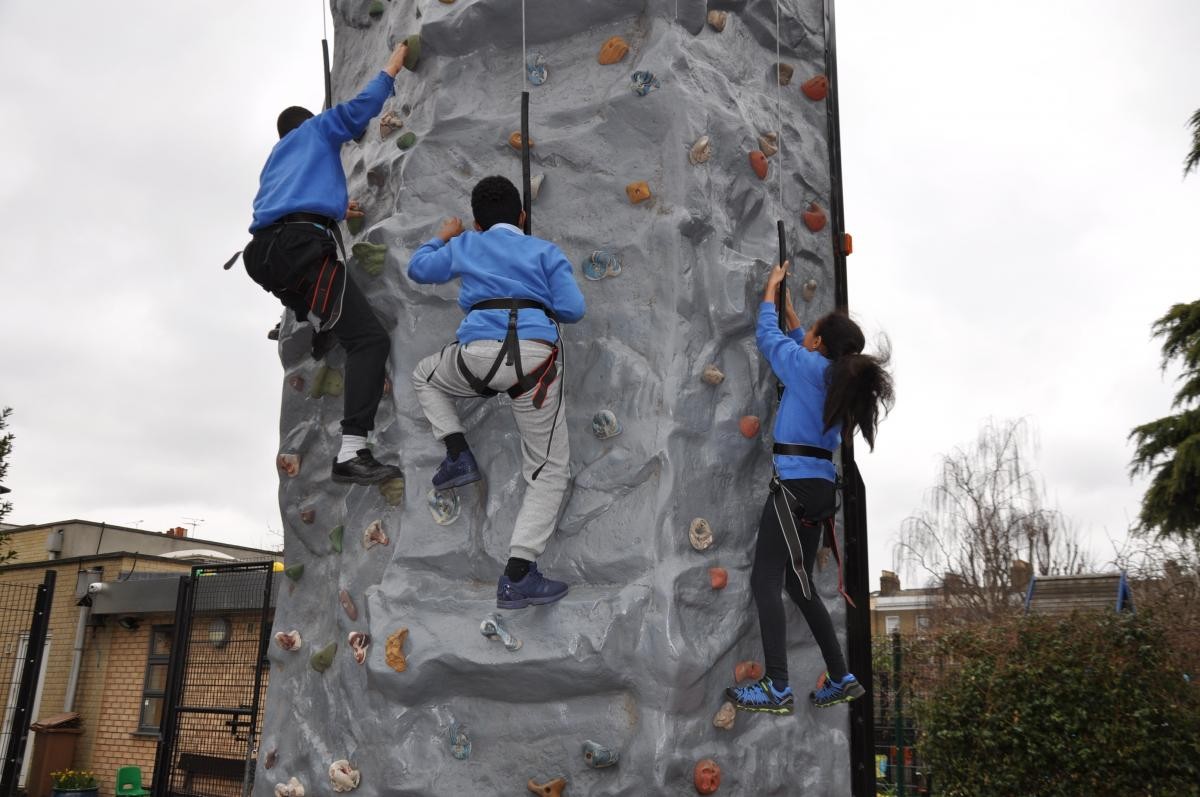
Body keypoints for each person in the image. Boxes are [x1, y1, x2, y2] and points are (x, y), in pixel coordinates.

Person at [407, 175, 585, 610]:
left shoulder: (468, 243)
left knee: (425, 376)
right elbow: (573, 309)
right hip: (535, 363)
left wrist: (444, 237)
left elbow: (419, 268)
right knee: (548, 469)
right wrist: (535, 293)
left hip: (478, 356)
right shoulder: (545, 251)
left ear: (477, 223)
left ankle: (457, 452)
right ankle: (519, 573)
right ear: (522, 217)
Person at [726, 261, 893, 714]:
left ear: (819, 344)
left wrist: (769, 292)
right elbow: (806, 356)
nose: (808, 336)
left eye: (813, 333)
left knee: (765, 578)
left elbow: (768, 339)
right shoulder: (838, 380)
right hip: (818, 491)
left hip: (794, 489)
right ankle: (841, 676)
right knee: (799, 586)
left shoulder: (810, 369)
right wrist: (799, 322)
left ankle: (777, 686)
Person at [240, 42, 410, 485]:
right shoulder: (315, 130)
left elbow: (295, 201)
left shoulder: (276, 159)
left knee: (321, 301)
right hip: (299, 246)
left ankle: (322, 324)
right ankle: (353, 451)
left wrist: (336, 207)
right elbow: (359, 110)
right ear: (309, 122)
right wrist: (392, 68)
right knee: (368, 339)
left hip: (264, 255)